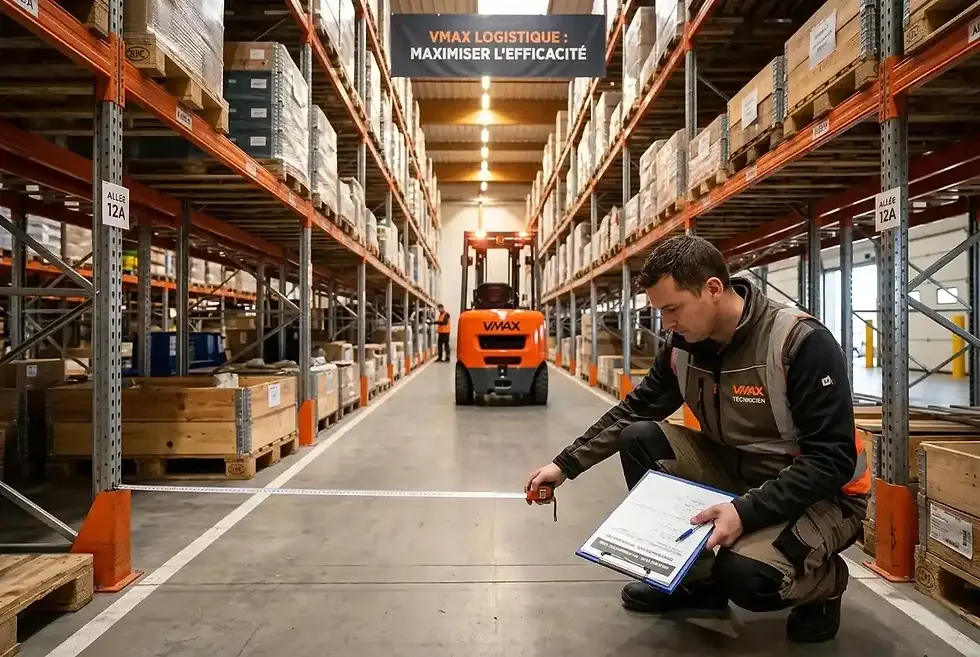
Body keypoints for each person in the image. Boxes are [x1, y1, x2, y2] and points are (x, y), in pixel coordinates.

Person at [525, 235, 869, 644]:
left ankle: (825, 583)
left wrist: (745, 512)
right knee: (640, 437)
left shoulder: (799, 342)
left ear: (713, 288)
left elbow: (832, 459)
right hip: (737, 468)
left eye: (673, 309)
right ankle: (699, 583)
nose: (666, 324)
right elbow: (636, 409)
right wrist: (565, 465)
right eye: (661, 312)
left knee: (748, 577)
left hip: (822, 493)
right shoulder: (683, 346)